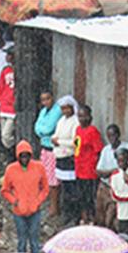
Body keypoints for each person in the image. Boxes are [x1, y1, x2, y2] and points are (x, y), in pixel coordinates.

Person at [1, 140, 49, 253]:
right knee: (21, 242)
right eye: (22, 156)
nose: (24, 159)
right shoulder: (10, 169)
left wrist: (38, 201)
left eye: (26, 156)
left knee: (34, 241)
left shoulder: (39, 167)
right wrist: (14, 201)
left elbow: (45, 188)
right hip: (19, 212)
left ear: (30, 155)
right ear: (18, 156)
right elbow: (5, 190)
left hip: (35, 211)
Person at [71, 105, 103, 225]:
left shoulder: (93, 131)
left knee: (90, 197)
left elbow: (98, 150)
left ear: (90, 117)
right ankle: (83, 218)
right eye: (80, 116)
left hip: (89, 171)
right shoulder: (78, 129)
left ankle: (92, 219)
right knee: (81, 197)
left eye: (85, 116)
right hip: (79, 169)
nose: (82, 118)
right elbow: (76, 147)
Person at [51, 95, 79, 224]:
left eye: (67, 108)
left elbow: (75, 143)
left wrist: (60, 142)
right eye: (63, 109)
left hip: (70, 157)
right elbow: (55, 135)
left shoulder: (76, 121)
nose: (65, 111)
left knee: (72, 189)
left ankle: (74, 214)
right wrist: (55, 140)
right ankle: (66, 213)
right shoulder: (61, 120)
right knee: (64, 188)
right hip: (60, 157)